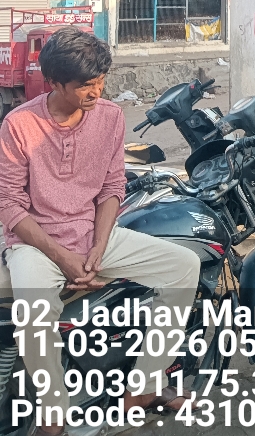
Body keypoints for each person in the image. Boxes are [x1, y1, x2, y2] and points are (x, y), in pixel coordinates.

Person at [0, 26, 201, 433]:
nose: (96, 91)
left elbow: (112, 188)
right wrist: (64, 258)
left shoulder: (110, 117)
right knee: (34, 313)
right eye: (85, 85)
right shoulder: (19, 124)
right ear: (54, 82)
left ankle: (143, 386)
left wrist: (98, 246)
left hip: (93, 234)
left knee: (183, 266)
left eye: (100, 80)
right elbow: (9, 205)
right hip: (35, 243)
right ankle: (53, 414)